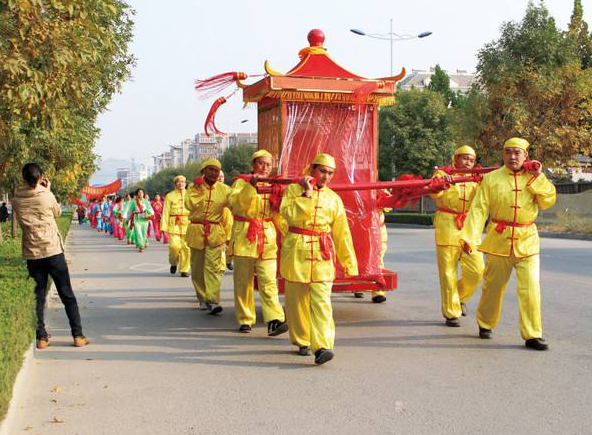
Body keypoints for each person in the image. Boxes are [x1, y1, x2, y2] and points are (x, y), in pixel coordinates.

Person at [460, 138, 556, 350]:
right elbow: (478, 210)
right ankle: (485, 323)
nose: (512, 157)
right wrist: (470, 237)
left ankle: (533, 335)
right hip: (499, 240)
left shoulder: (534, 177)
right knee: (493, 287)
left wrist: (538, 178)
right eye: (508, 152)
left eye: (517, 153)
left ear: (525, 156)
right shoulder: (491, 179)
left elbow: (548, 200)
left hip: (528, 240)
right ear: (503, 155)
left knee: (531, 288)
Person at [280, 153, 358, 365]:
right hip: (297, 250)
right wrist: (306, 195)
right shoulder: (293, 191)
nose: (326, 176)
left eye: (330, 173)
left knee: (322, 302)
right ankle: (302, 340)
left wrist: (349, 263)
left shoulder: (334, 199)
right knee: (296, 302)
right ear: (312, 169)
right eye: (322, 171)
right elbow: (288, 216)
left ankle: (322, 346)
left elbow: (342, 232)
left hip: (322, 254)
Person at [11, 163, 89, 349]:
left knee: (38, 296)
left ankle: (42, 338)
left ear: (23, 178)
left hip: (32, 252)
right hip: (52, 250)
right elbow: (57, 212)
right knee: (66, 294)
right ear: (40, 178)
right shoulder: (46, 195)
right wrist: (47, 190)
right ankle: (77, 335)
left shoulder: (15, 200)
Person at [228, 149, 288, 335]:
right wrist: (250, 187)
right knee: (242, 282)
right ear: (253, 165)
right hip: (244, 236)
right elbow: (236, 204)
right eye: (261, 163)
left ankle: (275, 319)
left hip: (267, 237)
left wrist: (290, 234)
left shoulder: (275, 185)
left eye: (268, 164)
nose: (264, 167)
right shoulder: (241, 182)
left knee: (269, 281)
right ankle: (245, 318)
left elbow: (278, 214)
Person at [431, 145, 484, 327]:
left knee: (477, 270)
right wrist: (442, 183)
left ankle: (459, 298)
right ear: (456, 159)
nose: (468, 162)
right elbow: (433, 191)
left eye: (471, 159)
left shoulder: (477, 179)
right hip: (447, 226)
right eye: (464, 158)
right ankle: (451, 312)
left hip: (469, 227)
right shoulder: (442, 174)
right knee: (448, 272)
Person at [185, 159, 231, 314]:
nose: (214, 173)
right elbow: (189, 205)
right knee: (197, 270)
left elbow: (236, 205)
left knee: (214, 268)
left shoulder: (225, 189)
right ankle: (203, 297)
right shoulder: (193, 187)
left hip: (215, 232)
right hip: (197, 229)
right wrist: (198, 190)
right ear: (203, 171)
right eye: (210, 169)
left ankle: (212, 300)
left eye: (217, 170)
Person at [161, 176, 190, 276]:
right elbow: (165, 212)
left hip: (187, 224)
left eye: (183, 182)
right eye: (178, 182)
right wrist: (163, 227)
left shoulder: (190, 194)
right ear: (175, 184)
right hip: (174, 225)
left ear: (185, 183)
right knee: (174, 247)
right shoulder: (170, 196)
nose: (181, 183)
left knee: (186, 248)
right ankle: (173, 263)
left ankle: (184, 270)